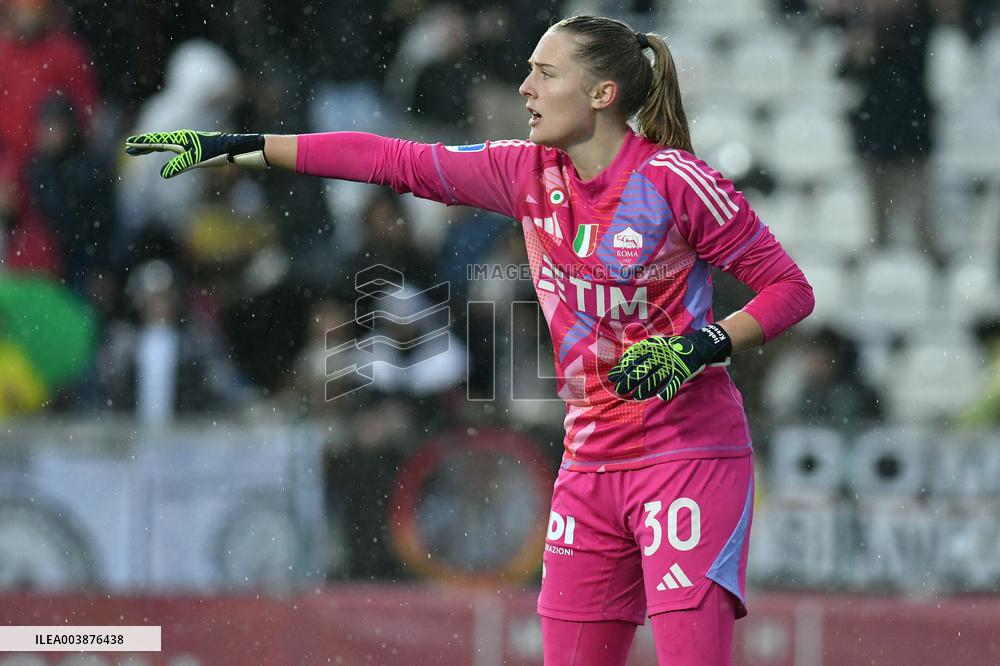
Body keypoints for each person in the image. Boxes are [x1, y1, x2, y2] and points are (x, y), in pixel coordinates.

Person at [123, 15, 814, 665]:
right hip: (590, 466)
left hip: (687, 458)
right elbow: (390, 159)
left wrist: (701, 346)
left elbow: (789, 289)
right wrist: (243, 148)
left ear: (602, 94)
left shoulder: (673, 181)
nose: (525, 89)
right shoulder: (526, 174)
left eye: (546, 73)